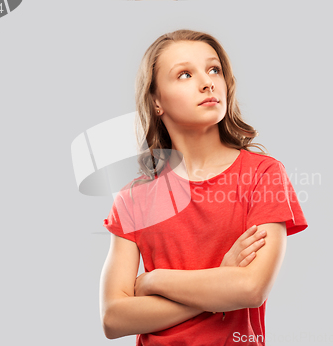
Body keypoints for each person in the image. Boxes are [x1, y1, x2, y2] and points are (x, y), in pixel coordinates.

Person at [99, 29, 308, 345]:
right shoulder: (133, 198)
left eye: (214, 69)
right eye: (184, 74)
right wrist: (220, 283)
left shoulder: (263, 175)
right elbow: (114, 319)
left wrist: (156, 280)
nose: (208, 82)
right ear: (156, 101)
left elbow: (250, 289)